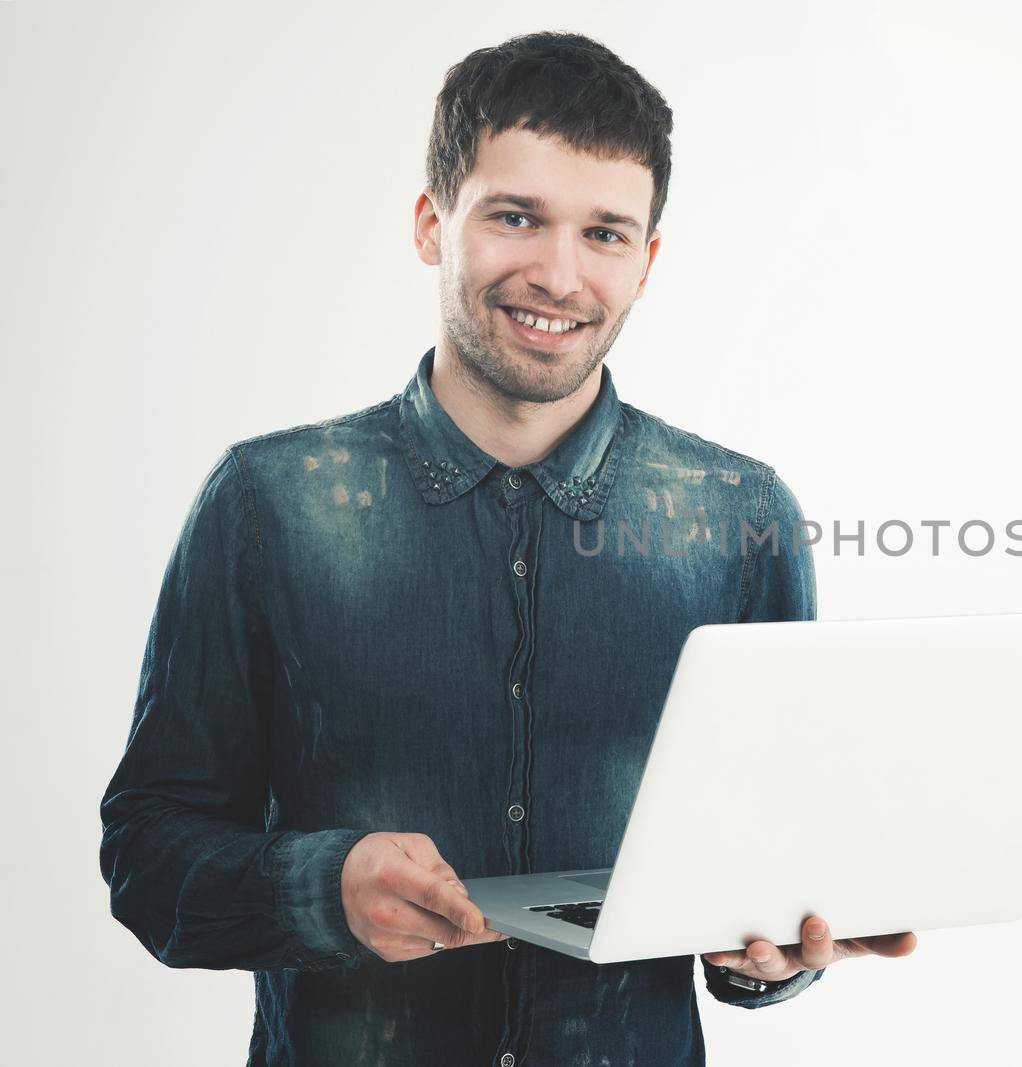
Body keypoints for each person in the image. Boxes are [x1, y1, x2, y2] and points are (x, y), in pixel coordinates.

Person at [98, 30, 916, 1066]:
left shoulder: (740, 513)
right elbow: (148, 852)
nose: (558, 274)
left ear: (648, 262)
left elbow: (761, 877)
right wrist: (323, 885)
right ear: (432, 224)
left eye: (606, 232)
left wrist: (775, 952)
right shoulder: (269, 503)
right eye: (516, 216)